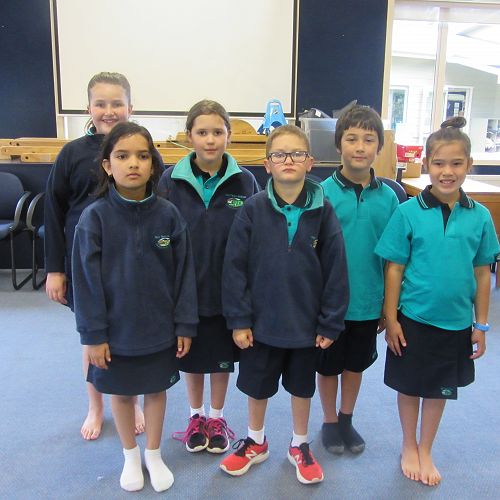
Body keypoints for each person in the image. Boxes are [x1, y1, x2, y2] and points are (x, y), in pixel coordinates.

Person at [72, 122, 198, 492]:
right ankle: (130, 456)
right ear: (107, 165)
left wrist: (185, 324)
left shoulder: (169, 215)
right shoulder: (94, 218)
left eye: (143, 156)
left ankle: (153, 454)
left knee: (156, 391)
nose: (133, 163)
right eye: (123, 156)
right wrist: (94, 336)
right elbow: (85, 284)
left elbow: (184, 274)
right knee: (123, 393)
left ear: (153, 165)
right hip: (115, 332)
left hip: (160, 328)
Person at [220, 125, 349, 484]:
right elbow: (234, 268)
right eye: (279, 154)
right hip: (261, 325)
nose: (288, 160)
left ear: (310, 162)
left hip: (306, 327)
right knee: (256, 387)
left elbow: (336, 270)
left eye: (296, 154)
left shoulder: (324, 212)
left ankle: (299, 444)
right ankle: (255, 441)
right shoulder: (252, 210)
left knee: (301, 388)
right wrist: (239, 319)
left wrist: (330, 322)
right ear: (267, 164)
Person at [375, 117, 500, 486]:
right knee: (409, 385)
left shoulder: (480, 216)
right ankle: (408, 444)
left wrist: (481, 324)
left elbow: (483, 273)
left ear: (469, 165)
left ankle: (426, 447)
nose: (447, 172)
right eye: (439, 163)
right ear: (426, 163)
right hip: (413, 318)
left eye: (456, 163)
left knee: (439, 389)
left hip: (456, 322)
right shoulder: (408, 212)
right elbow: (394, 269)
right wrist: (391, 318)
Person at [44, 72, 147, 440]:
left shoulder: (142, 152)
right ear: (88, 107)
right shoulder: (72, 154)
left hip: (131, 265)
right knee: (92, 334)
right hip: (84, 265)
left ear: (130, 107)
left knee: (132, 333)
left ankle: (133, 400)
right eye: (100, 104)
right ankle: (96, 405)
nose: (109, 111)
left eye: (117, 103)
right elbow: (53, 212)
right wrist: (55, 269)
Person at [159, 100, 260, 454]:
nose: (210, 139)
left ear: (229, 136)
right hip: (185, 289)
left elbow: (254, 236)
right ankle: (195, 416)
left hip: (225, 290)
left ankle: (216, 417)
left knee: (220, 358)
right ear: (190, 136)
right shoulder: (170, 180)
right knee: (190, 355)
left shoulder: (245, 181)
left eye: (218, 132)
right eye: (202, 132)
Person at [317, 105, 399, 455]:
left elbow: (395, 259)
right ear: (339, 145)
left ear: (379, 146)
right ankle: (329, 421)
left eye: (368, 139)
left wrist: (388, 307)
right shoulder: (321, 193)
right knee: (328, 367)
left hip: (368, 301)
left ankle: (346, 418)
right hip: (330, 304)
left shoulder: (390, 197)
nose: (360, 147)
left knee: (355, 365)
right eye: (351, 139)